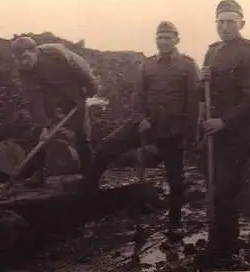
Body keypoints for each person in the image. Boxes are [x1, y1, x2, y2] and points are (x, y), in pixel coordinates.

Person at [83, 21, 200, 238]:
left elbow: (194, 104)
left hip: (172, 130)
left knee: (176, 179)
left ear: (177, 40)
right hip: (144, 124)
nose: (163, 41)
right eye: (160, 37)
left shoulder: (188, 66)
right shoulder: (147, 65)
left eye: (167, 37)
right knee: (107, 146)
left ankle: (174, 224)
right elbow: (137, 97)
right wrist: (140, 119)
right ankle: (87, 196)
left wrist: (188, 135)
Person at [197, 0, 250, 270]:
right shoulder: (212, 52)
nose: (224, 27)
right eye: (220, 22)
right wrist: (201, 81)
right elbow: (202, 95)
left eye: (230, 22)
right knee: (213, 188)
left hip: (235, 134)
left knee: (226, 191)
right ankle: (218, 240)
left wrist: (224, 122)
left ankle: (226, 249)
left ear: (242, 24)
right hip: (212, 133)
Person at [10, 36, 98, 188]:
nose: (23, 62)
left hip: (73, 92)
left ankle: (89, 175)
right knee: (38, 132)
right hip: (50, 97)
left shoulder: (56, 55)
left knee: (82, 134)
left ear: (35, 51)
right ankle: (39, 173)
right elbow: (32, 98)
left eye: (25, 57)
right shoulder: (23, 69)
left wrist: (90, 88)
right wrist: (44, 125)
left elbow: (80, 67)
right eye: (19, 59)